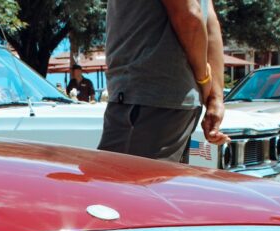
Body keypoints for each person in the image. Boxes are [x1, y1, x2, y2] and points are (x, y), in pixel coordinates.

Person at [98, 0, 230, 162]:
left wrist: (204, 79)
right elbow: (209, 20)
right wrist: (215, 97)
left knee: (117, 182)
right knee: (160, 185)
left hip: (148, 99)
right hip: (169, 101)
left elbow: (190, 17)